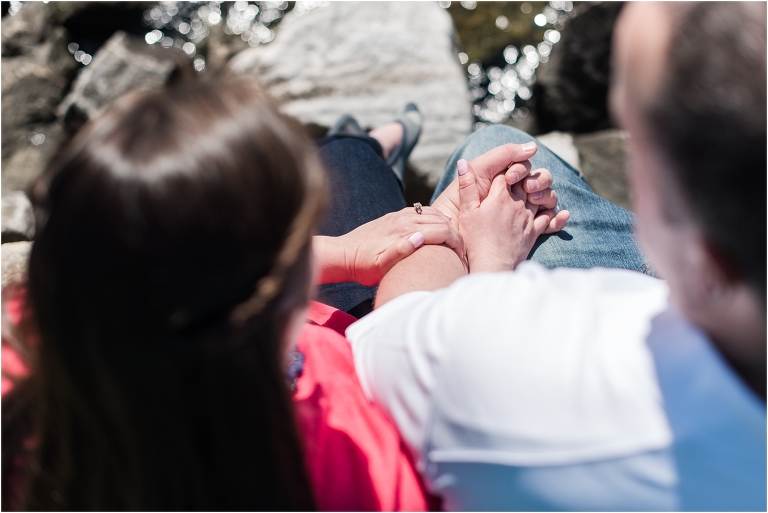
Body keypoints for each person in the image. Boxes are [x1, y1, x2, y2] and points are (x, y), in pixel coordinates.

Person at [0, 76, 567, 509]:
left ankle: (364, 145)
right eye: (297, 245)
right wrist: (484, 263)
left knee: (345, 160)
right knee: (483, 144)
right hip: (398, 343)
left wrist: (341, 252)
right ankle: (366, 146)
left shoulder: (40, 350)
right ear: (269, 308)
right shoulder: (347, 462)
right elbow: (463, 406)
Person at [346, 2, 766, 511]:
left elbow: (390, 330)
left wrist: (464, 234)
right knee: (500, 149)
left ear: (707, 260)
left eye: (640, 141)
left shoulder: (560, 375)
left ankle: (360, 148)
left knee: (486, 150)